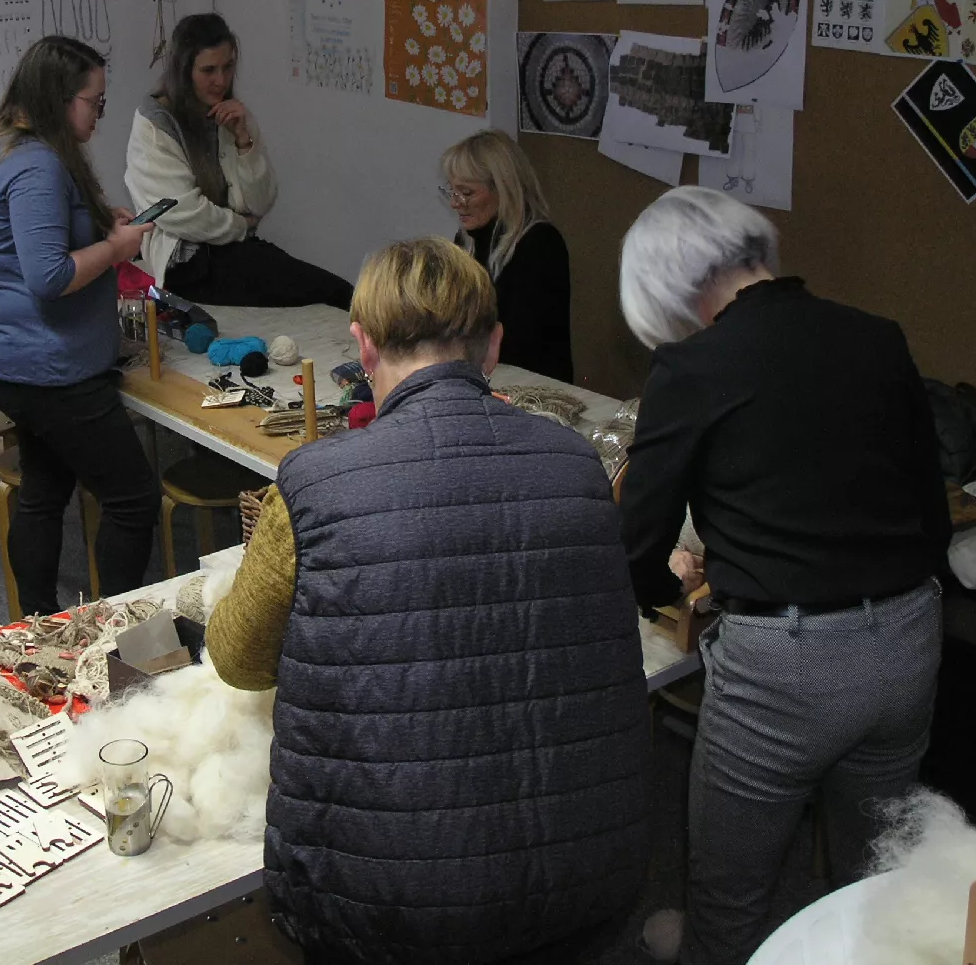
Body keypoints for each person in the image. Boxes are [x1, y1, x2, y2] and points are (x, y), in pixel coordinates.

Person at [208, 237, 648, 965]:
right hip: (587, 876)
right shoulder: (579, 466)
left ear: (363, 345)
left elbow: (237, 658)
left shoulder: (315, 484)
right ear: (494, 346)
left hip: (385, 903)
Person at [616, 187, 950, 965]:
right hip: (908, 637)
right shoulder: (877, 336)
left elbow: (637, 544)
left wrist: (671, 590)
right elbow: (929, 512)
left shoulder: (692, 366)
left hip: (785, 666)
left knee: (730, 895)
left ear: (667, 284)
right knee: (878, 878)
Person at [0, 36, 161, 617]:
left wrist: (96, 223)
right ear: (60, 98)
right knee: (133, 498)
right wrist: (117, 248)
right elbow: (49, 276)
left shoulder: (2, 144)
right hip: (46, 366)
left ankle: (37, 621)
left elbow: (36, 234)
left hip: (6, 357)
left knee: (45, 487)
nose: (100, 113)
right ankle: (112, 634)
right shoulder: (37, 164)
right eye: (95, 102)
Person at [125, 12, 351, 308]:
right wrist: (241, 226)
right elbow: (181, 213)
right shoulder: (154, 125)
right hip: (188, 263)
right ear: (184, 71)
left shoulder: (230, 114)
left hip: (229, 246)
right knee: (334, 293)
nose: (221, 80)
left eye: (228, 67)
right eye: (208, 70)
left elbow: (261, 202)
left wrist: (244, 140)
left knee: (337, 292)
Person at [441, 128, 573, 382]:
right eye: (452, 191)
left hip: (531, 385)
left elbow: (521, 343)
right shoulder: (467, 240)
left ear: (503, 189)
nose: (454, 203)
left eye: (467, 193)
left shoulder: (540, 244)